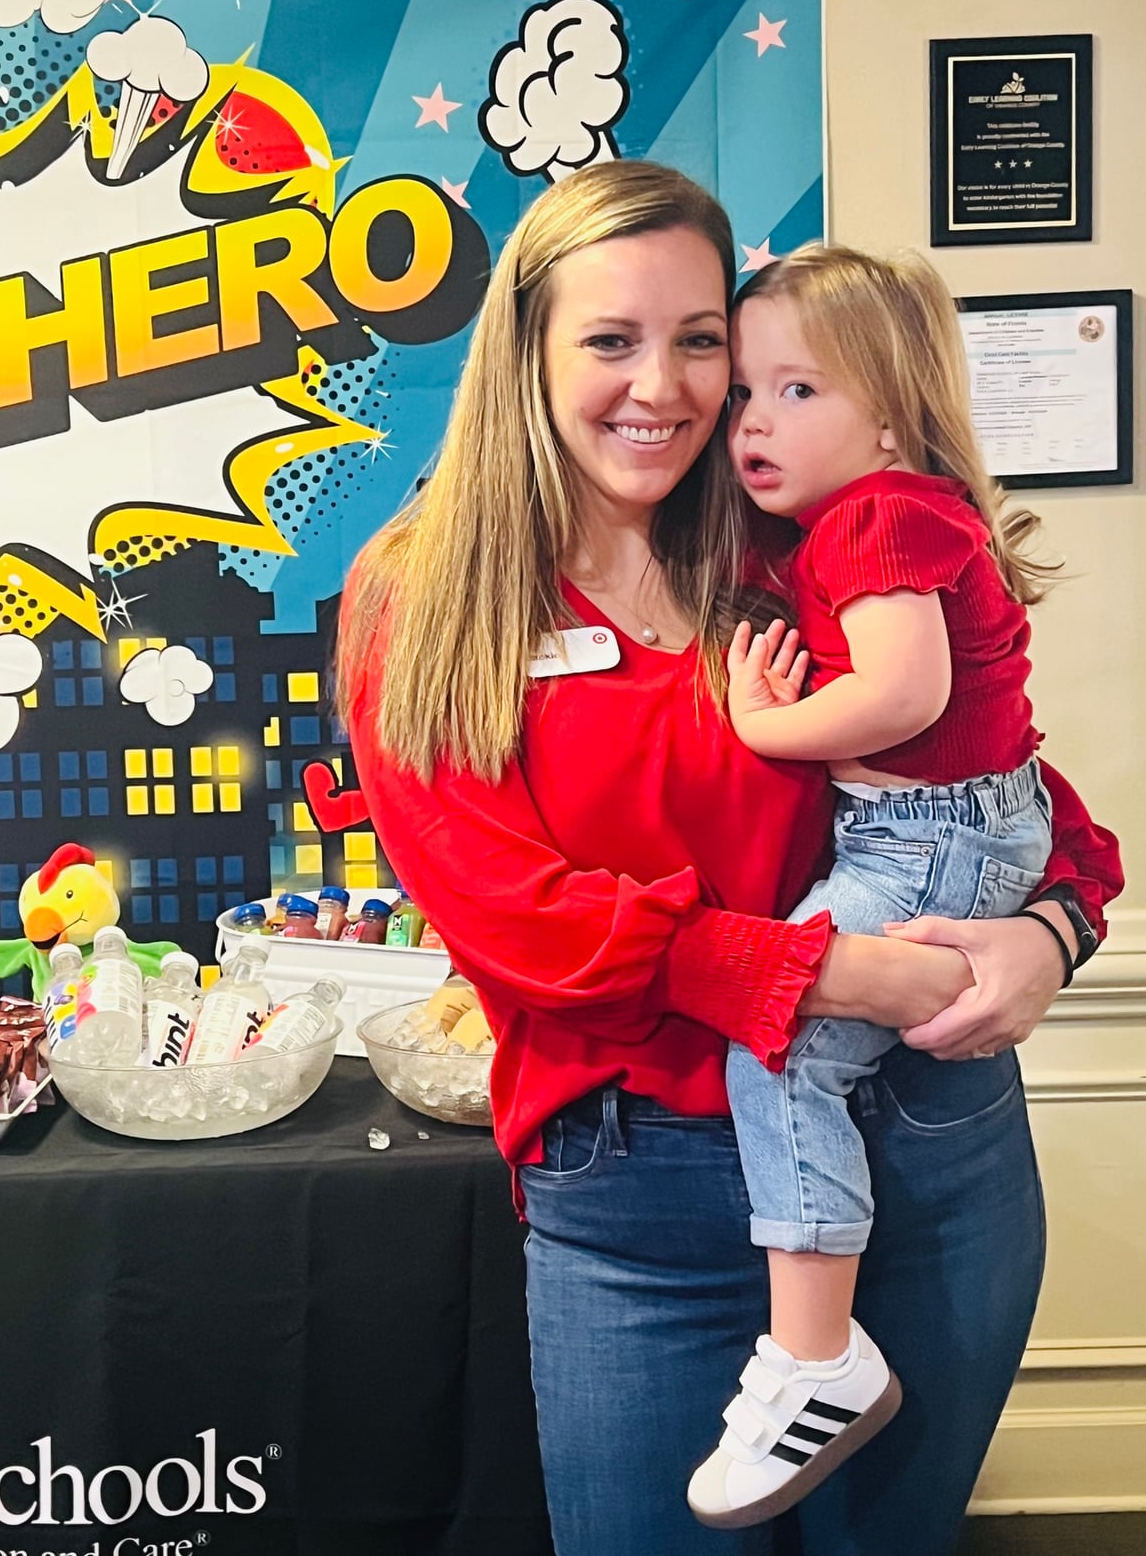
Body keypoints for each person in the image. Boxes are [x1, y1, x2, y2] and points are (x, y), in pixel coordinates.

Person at [338, 161, 1122, 1556]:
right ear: (525, 348)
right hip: (640, 1195)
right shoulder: (431, 593)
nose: (666, 387)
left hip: (931, 1152)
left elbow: (996, 777)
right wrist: (839, 978)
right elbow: (519, 919)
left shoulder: (790, 541)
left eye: (701, 339)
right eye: (611, 340)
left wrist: (1055, 926)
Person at [686, 245, 1064, 1529]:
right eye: (746, 393)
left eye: (798, 392)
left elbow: (908, 694)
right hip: (942, 825)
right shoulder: (861, 519)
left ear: (894, 410)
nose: (753, 424)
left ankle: (817, 1355)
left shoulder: (881, 515)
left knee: (777, 1040)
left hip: (929, 836)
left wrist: (759, 723)